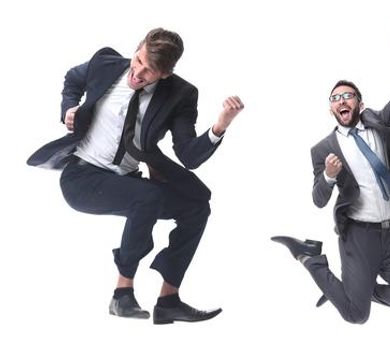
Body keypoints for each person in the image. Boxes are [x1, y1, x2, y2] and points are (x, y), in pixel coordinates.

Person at [26, 28, 243, 324]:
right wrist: (69, 109)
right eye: (138, 60)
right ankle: (122, 294)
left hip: (127, 181)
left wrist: (219, 127)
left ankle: (168, 300)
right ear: (137, 48)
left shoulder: (180, 94)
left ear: (165, 74)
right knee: (148, 196)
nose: (137, 73)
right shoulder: (105, 64)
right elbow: (72, 79)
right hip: (82, 178)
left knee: (197, 208)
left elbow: (189, 155)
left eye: (149, 71)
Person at [270, 27, 390, 324]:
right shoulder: (322, 150)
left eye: (348, 96)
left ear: (360, 103)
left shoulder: (379, 123)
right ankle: (310, 258)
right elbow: (318, 199)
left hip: (389, 234)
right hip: (358, 236)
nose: (342, 100)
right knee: (356, 315)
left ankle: (344, 291)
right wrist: (328, 176)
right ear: (331, 109)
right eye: (335, 98)